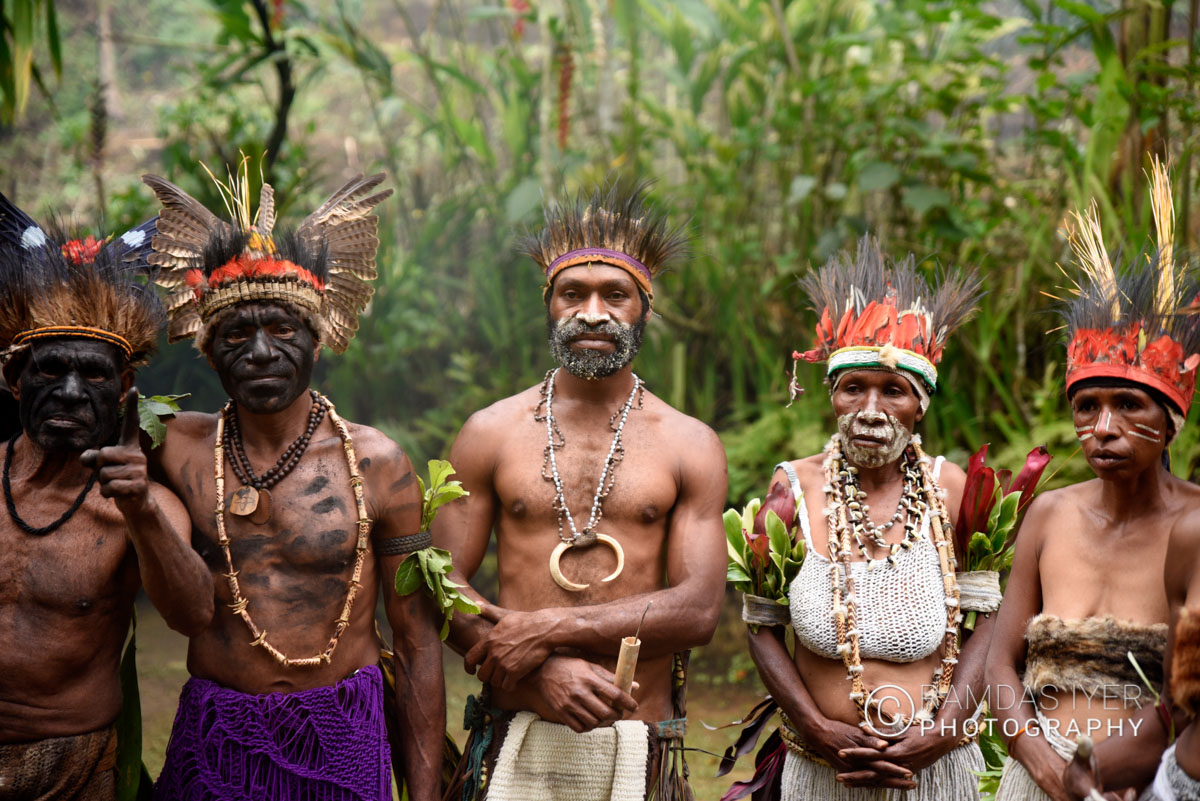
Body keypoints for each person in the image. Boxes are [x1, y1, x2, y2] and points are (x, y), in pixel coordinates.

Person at [139, 169, 445, 801]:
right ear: (208, 347)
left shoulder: (379, 464)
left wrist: (426, 792)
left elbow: (416, 643)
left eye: (281, 329)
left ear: (316, 338)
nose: (259, 351)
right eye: (236, 334)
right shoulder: (171, 445)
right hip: (217, 732)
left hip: (343, 735)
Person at [434, 183, 728, 801]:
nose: (593, 312)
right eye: (574, 294)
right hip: (516, 719)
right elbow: (442, 585)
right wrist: (544, 675)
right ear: (550, 306)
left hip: (638, 733)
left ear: (642, 309)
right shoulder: (490, 432)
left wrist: (547, 630)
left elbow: (699, 609)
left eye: (614, 295)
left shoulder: (689, 443)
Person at [740, 236, 991, 800]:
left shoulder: (955, 490)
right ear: (831, 395)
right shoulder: (793, 490)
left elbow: (990, 622)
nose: (871, 411)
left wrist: (940, 733)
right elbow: (761, 624)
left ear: (921, 404)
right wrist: (817, 728)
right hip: (822, 766)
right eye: (854, 388)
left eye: (894, 391)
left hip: (935, 769)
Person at [987, 169, 1200, 801]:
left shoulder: (1194, 530)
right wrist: (1042, 763)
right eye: (1087, 407)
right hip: (1036, 781)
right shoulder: (1049, 514)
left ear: (1172, 420)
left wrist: (1108, 778)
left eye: (1129, 404)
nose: (1104, 427)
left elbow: (1186, 702)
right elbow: (1001, 664)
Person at [0, 196, 213, 800]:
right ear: (14, 379)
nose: (70, 392)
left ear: (123, 388)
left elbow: (194, 616)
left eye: (93, 375)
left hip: (70, 763)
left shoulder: (141, 507)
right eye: (50, 371)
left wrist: (141, 508)